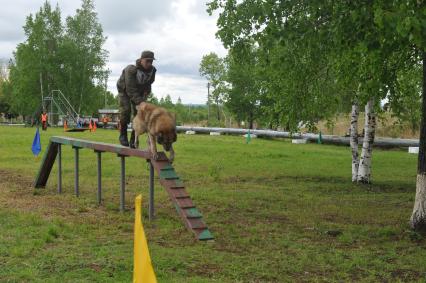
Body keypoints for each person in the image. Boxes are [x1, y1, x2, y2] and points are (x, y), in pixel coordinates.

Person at [116, 50, 156, 147]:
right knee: (126, 111)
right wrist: (140, 102)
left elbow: (149, 83)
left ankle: (134, 139)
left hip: (139, 91)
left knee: (139, 114)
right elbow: (130, 90)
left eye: (151, 61)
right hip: (125, 89)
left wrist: (145, 95)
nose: (149, 63)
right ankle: (123, 135)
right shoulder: (131, 70)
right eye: (147, 61)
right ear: (141, 60)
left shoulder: (152, 71)